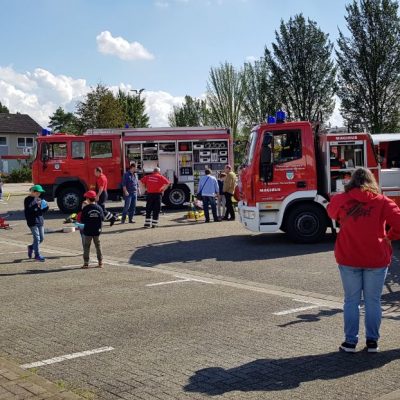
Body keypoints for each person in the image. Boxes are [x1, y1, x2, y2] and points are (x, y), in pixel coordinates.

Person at [327, 167, 400, 353]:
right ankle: (372, 342)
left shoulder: (341, 200)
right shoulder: (382, 201)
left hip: (349, 256)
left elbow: (331, 213)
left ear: (351, 181)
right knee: (373, 301)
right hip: (376, 257)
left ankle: (350, 342)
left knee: (351, 301)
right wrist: (390, 236)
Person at [24, 184, 49, 262]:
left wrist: (46, 207)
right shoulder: (28, 200)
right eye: (38, 193)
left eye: (40, 193)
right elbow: (30, 210)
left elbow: (41, 211)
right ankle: (37, 255)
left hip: (40, 221)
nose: (39, 194)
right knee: (37, 238)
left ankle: (31, 247)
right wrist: (37, 205)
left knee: (41, 238)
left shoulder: (38, 199)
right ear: (33, 192)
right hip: (32, 222)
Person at [80, 190, 104, 269]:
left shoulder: (86, 208)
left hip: (88, 230)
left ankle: (86, 263)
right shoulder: (99, 208)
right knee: (98, 245)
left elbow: (82, 220)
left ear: (88, 199)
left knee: (86, 246)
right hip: (97, 230)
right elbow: (102, 218)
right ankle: (100, 262)